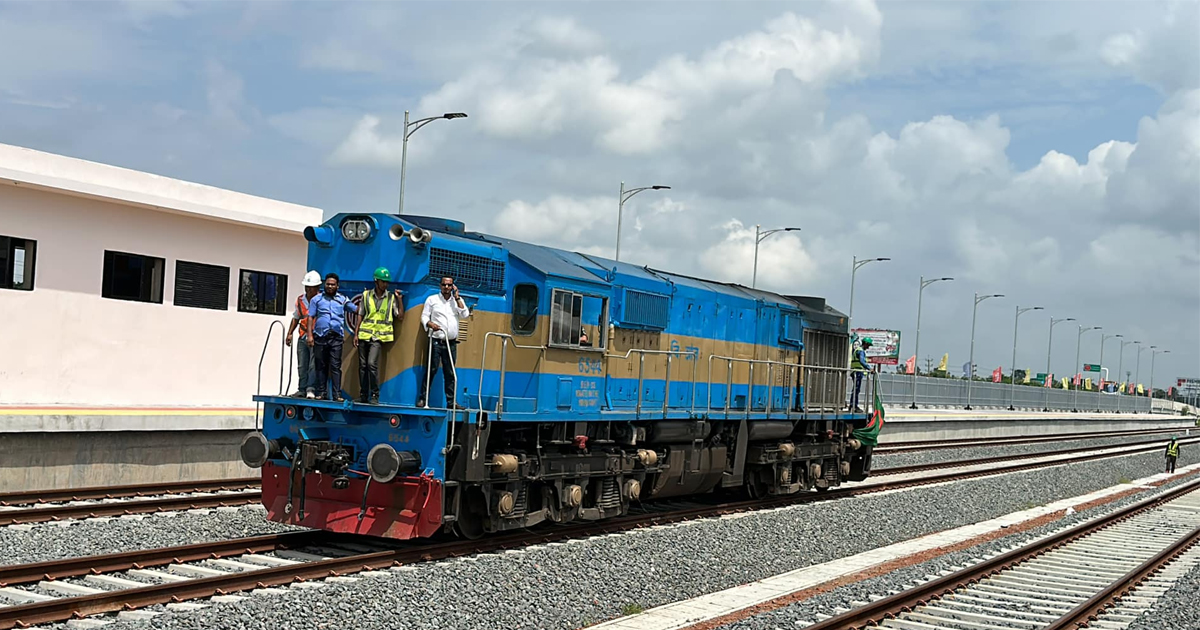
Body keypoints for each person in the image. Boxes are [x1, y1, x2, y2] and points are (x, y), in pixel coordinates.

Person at [418, 276, 470, 409]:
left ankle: (451, 402)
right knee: (432, 370)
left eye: (449, 285)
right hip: (436, 340)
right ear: (440, 286)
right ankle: (423, 398)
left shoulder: (457, 301)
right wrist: (429, 323)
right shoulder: (432, 300)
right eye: (444, 285)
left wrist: (457, 298)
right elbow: (424, 316)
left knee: (450, 372)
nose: (446, 287)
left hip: (451, 343)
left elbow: (465, 315)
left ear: (453, 286)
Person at [354, 267, 403, 405]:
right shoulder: (366, 295)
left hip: (378, 337)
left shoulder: (391, 297)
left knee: (371, 364)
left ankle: (375, 394)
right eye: (383, 282)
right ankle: (363, 395)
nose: (385, 285)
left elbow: (400, 316)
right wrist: (356, 334)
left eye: (387, 282)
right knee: (362, 366)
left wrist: (399, 300)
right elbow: (360, 314)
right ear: (376, 281)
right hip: (364, 334)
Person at [306, 273, 358, 402]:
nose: (330, 286)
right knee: (320, 365)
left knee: (335, 366)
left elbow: (356, 309)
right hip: (320, 336)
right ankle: (322, 392)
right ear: (324, 285)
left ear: (337, 286)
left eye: (333, 284)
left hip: (336, 337)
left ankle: (337, 394)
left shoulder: (342, 300)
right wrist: (309, 335)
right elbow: (310, 317)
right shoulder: (316, 300)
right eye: (328, 284)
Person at [285, 271, 322, 398]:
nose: (307, 289)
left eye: (310, 287)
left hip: (316, 336)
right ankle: (301, 388)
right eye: (306, 287)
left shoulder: (321, 300)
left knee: (313, 364)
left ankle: (310, 389)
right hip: (302, 335)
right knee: (302, 364)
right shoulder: (300, 300)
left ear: (317, 287)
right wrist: (290, 333)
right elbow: (296, 317)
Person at [849, 336, 876, 412]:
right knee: (856, 389)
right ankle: (854, 406)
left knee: (855, 389)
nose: (868, 347)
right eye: (868, 345)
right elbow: (862, 361)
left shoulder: (857, 350)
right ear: (866, 344)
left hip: (855, 371)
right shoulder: (861, 351)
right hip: (857, 372)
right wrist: (869, 368)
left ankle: (852, 405)